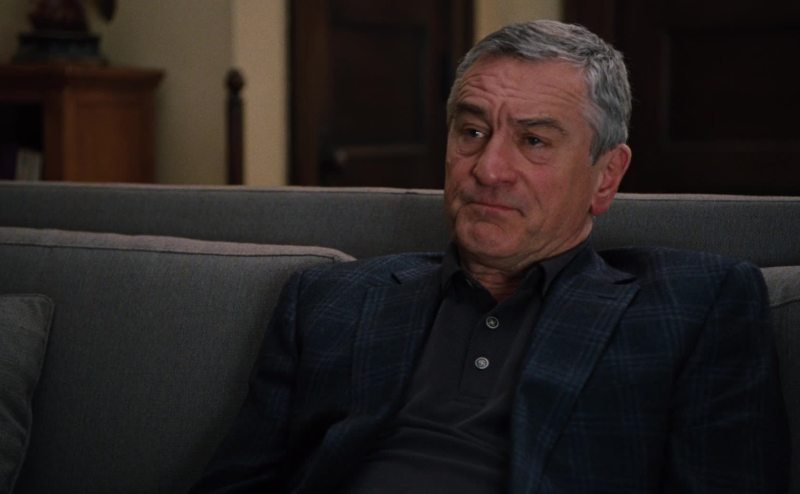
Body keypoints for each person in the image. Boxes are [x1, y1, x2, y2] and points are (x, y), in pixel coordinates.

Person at [191, 20, 789, 493]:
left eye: (534, 141)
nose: (489, 169)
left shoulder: (695, 305)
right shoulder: (328, 299)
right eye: (472, 132)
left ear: (606, 176)